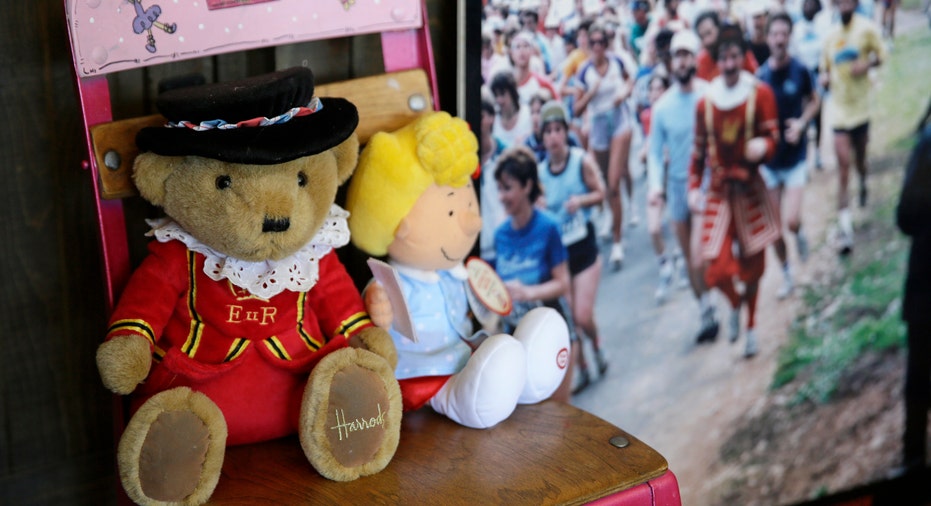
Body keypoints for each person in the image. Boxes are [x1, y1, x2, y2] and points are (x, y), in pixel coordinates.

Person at [688, 24, 780, 358]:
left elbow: (773, 138)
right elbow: (697, 154)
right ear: (716, 60)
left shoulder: (760, 93)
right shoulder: (706, 103)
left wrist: (764, 147)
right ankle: (736, 303)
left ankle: (752, 325)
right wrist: (693, 186)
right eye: (723, 57)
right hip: (720, 189)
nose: (728, 64)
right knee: (714, 267)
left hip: (750, 187)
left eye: (734, 57)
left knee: (754, 263)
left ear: (742, 57)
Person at [648, 29, 721, 342]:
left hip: (705, 183)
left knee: (697, 256)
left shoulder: (708, 93)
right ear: (670, 62)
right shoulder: (662, 107)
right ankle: (705, 309)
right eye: (677, 56)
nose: (681, 62)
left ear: (695, 59)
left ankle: (717, 297)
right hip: (677, 187)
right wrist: (655, 187)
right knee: (688, 253)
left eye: (687, 55)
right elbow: (653, 152)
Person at [491, 145, 574, 402]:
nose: (502, 196)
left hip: (551, 332)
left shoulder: (548, 226)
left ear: (527, 186)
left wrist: (528, 292)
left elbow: (563, 283)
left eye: (508, 187)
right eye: (500, 189)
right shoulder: (499, 235)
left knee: (559, 414)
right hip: (517, 339)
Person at [537, 100, 608, 392]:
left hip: (585, 250)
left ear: (566, 132)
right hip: (560, 257)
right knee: (571, 318)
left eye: (558, 130)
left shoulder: (581, 161)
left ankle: (597, 345)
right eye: (548, 131)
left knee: (580, 315)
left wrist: (581, 201)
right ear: (542, 137)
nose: (553, 136)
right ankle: (583, 368)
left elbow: (601, 193)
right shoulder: (539, 174)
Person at [757, 11, 820, 299]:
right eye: (775, 34)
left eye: (784, 34)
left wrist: (803, 122)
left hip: (794, 158)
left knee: (791, 221)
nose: (779, 40)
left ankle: (801, 231)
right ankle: (785, 273)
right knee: (773, 229)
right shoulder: (760, 78)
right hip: (770, 163)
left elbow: (815, 100)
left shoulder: (801, 70)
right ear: (767, 38)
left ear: (790, 36)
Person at [819, 0, 886, 255]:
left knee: (860, 161)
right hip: (839, 113)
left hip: (861, 110)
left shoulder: (867, 29)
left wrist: (866, 65)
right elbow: (824, 68)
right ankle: (845, 227)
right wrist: (824, 78)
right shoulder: (830, 36)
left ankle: (864, 180)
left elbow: (881, 54)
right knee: (843, 167)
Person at [573, 21, 636, 269]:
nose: (599, 46)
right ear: (588, 44)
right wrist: (591, 93)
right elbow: (576, 109)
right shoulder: (584, 71)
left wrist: (625, 93)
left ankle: (618, 243)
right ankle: (613, 215)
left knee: (612, 183)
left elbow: (631, 80)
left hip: (619, 120)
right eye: (594, 42)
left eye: (603, 42)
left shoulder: (617, 62)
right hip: (598, 125)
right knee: (603, 179)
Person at [896, 103, 931, 477]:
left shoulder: (927, 144)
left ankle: (914, 458)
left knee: (920, 372)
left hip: (926, 279)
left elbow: (905, 217)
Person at [790, 0, 829, 171]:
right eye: (807, 4)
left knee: (819, 116)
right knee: (804, 117)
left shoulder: (822, 26)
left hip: (817, 74)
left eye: (813, 4)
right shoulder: (797, 29)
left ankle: (818, 154)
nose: (809, 7)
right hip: (802, 77)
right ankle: (805, 159)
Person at [479, 89, 508, 262]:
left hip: (507, 247)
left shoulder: (506, 155)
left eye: (481, 116)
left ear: (491, 118)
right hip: (481, 255)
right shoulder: (466, 161)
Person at [694, 11, 759, 81]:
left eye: (709, 33)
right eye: (702, 37)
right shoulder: (700, 62)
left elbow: (756, 78)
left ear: (719, 29)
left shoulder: (738, 51)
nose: (707, 41)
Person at [489, 70, 534, 149]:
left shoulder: (528, 113)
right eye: (496, 95)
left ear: (513, 93)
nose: (499, 100)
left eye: (502, 94)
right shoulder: (492, 119)